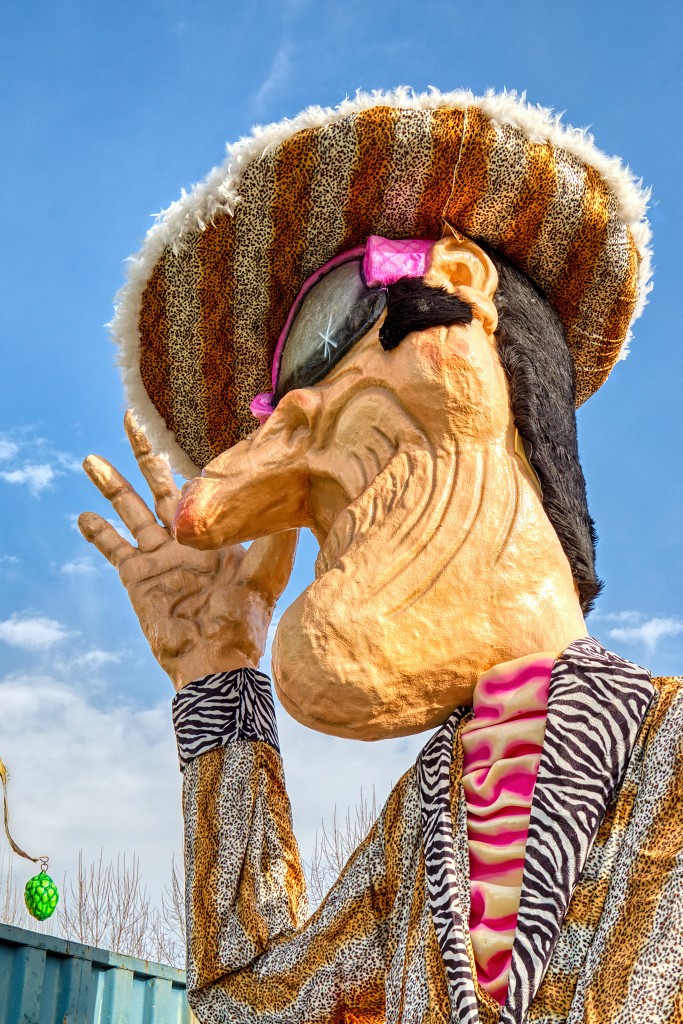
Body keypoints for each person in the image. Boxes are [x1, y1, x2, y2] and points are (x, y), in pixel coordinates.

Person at [79, 90, 683, 1023]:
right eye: (268, 413)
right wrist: (217, 677)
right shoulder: (430, 819)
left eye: (329, 330)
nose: (297, 420)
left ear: (457, 281)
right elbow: (250, 1007)